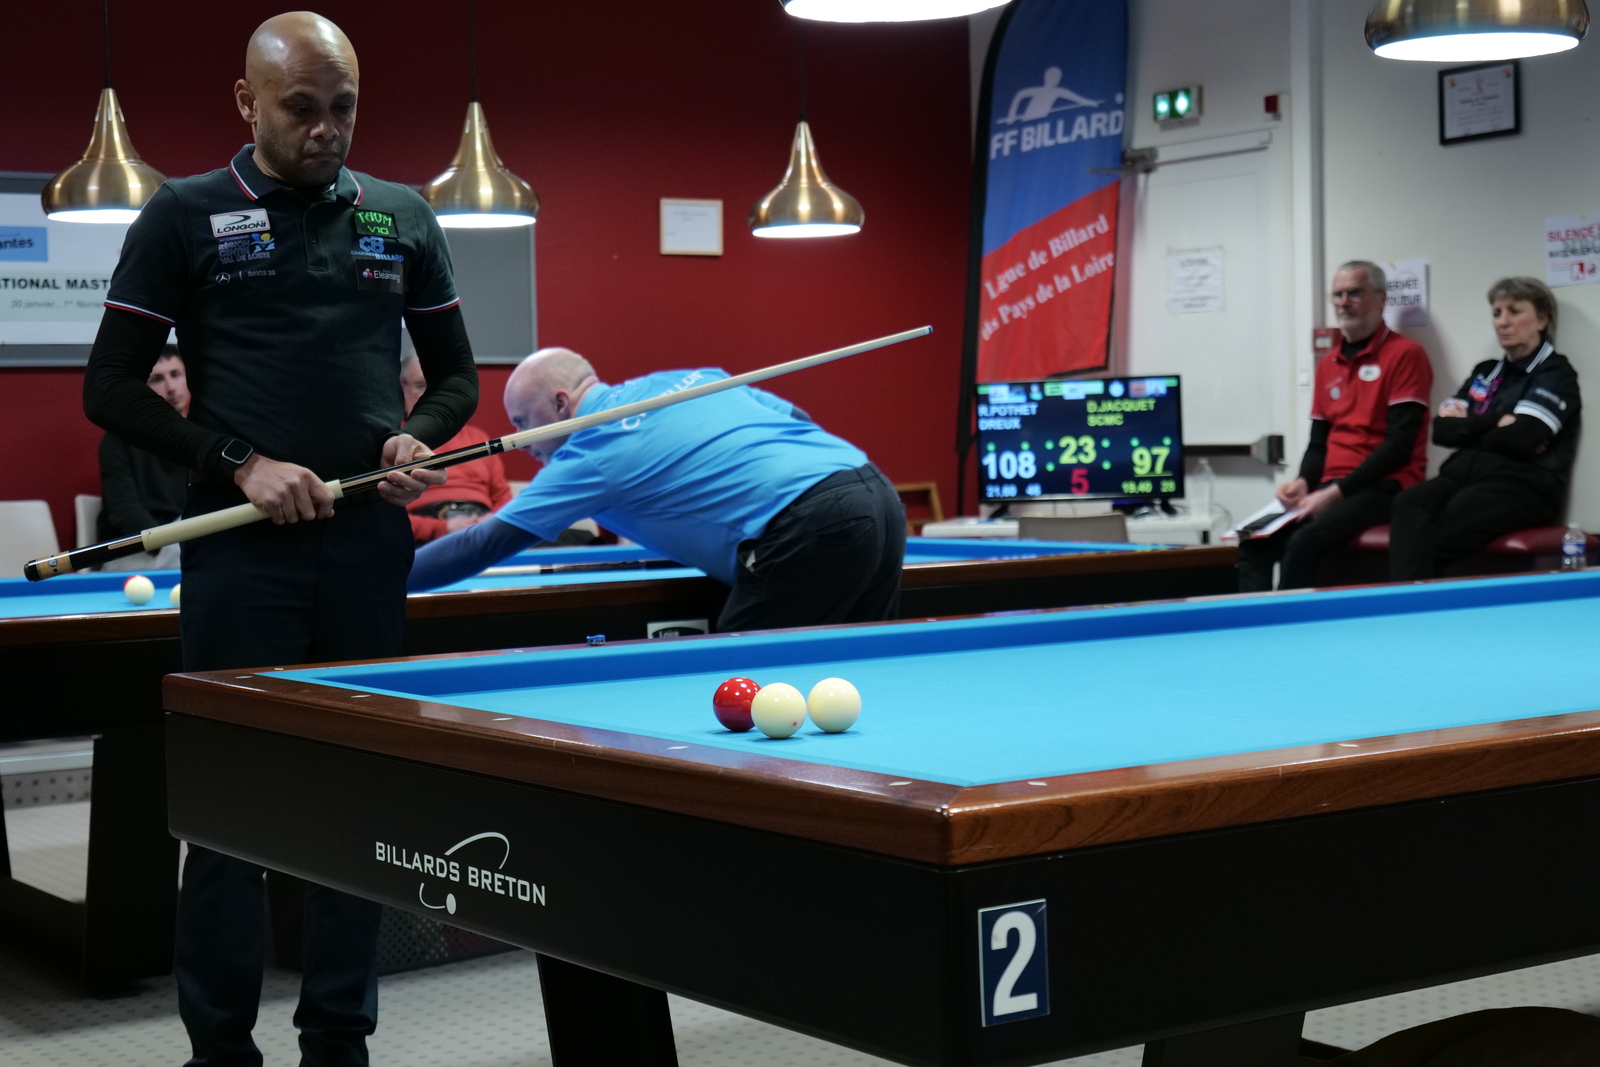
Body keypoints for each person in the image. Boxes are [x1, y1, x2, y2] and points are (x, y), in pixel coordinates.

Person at [81, 13, 478, 1066]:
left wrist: (418, 435)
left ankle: (338, 1040)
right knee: (230, 811)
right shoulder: (184, 213)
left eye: (343, 107)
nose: (326, 129)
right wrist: (239, 462)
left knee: (357, 801)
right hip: (244, 554)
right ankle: (219, 1049)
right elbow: (109, 386)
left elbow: (456, 378)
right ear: (247, 102)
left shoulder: (400, 214)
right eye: (301, 107)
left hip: (366, 547)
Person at [409, 347, 905, 631]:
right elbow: (796, 419)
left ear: (561, 404)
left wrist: (388, 582)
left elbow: (483, 543)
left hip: (809, 528)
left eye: (522, 422)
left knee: (744, 695)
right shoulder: (689, 378)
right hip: (876, 492)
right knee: (857, 670)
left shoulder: (591, 452)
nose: (522, 442)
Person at [1237, 261, 1433, 591]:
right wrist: (1303, 482)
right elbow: (1318, 443)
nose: (1344, 302)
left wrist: (1334, 493)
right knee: (1253, 542)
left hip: (1385, 486)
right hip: (1331, 485)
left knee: (1302, 544)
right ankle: (1255, 621)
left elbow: (1400, 445)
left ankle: (1292, 624)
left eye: (1355, 293)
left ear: (1382, 298)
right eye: (1338, 294)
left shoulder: (1406, 354)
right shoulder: (1328, 363)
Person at [1389, 277, 1582, 580]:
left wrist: (1470, 427)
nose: (1503, 322)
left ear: (1542, 319)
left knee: (1436, 534)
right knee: (1408, 503)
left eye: (1514, 311)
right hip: (1464, 474)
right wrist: (1495, 421)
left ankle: (1416, 604)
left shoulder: (1555, 373)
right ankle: (1402, 601)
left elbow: (1521, 437)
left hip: (1522, 484)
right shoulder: (1485, 372)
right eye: (1496, 313)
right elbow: (1441, 431)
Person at [399, 348, 511, 544]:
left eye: (439, 387)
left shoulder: (478, 437)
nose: (431, 395)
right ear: (402, 389)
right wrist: (442, 528)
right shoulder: (394, 443)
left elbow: (503, 498)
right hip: (426, 534)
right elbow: (385, 515)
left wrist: (493, 522)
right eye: (421, 385)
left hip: (484, 528)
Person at [97, 345, 190, 571]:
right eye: (157, 379)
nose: (171, 387)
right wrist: (165, 545)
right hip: (136, 549)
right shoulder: (117, 440)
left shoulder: (202, 437)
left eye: (176, 375)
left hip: (187, 541)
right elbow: (124, 510)